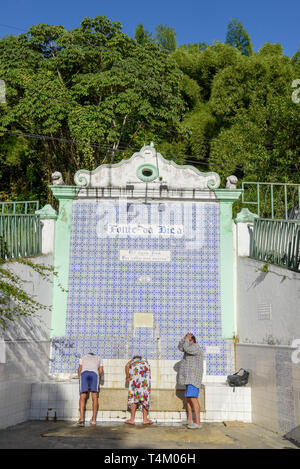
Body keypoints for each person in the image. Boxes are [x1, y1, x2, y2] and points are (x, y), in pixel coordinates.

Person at [178, 333, 203, 429]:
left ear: (192, 340)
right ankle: (190, 420)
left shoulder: (196, 347)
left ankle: (198, 423)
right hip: (188, 378)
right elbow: (181, 348)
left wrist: (187, 340)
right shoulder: (187, 347)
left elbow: (186, 348)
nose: (187, 342)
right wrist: (182, 339)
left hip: (193, 378)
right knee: (188, 399)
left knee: (193, 398)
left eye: (189, 340)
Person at [77, 352, 103, 426]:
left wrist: (80, 378)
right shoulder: (99, 358)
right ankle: (93, 419)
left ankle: (81, 418)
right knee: (94, 397)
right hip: (94, 374)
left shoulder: (83, 357)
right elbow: (100, 371)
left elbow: (79, 369)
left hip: (84, 374)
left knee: (82, 396)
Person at [125, 355, 152, 425]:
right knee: (144, 399)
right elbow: (149, 374)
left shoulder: (133, 362)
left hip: (135, 383)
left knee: (134, 399)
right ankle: (145, 419)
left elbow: (127, 365)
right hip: (144, 383)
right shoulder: (146, 362)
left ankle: (132, 419)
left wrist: (127, 377)